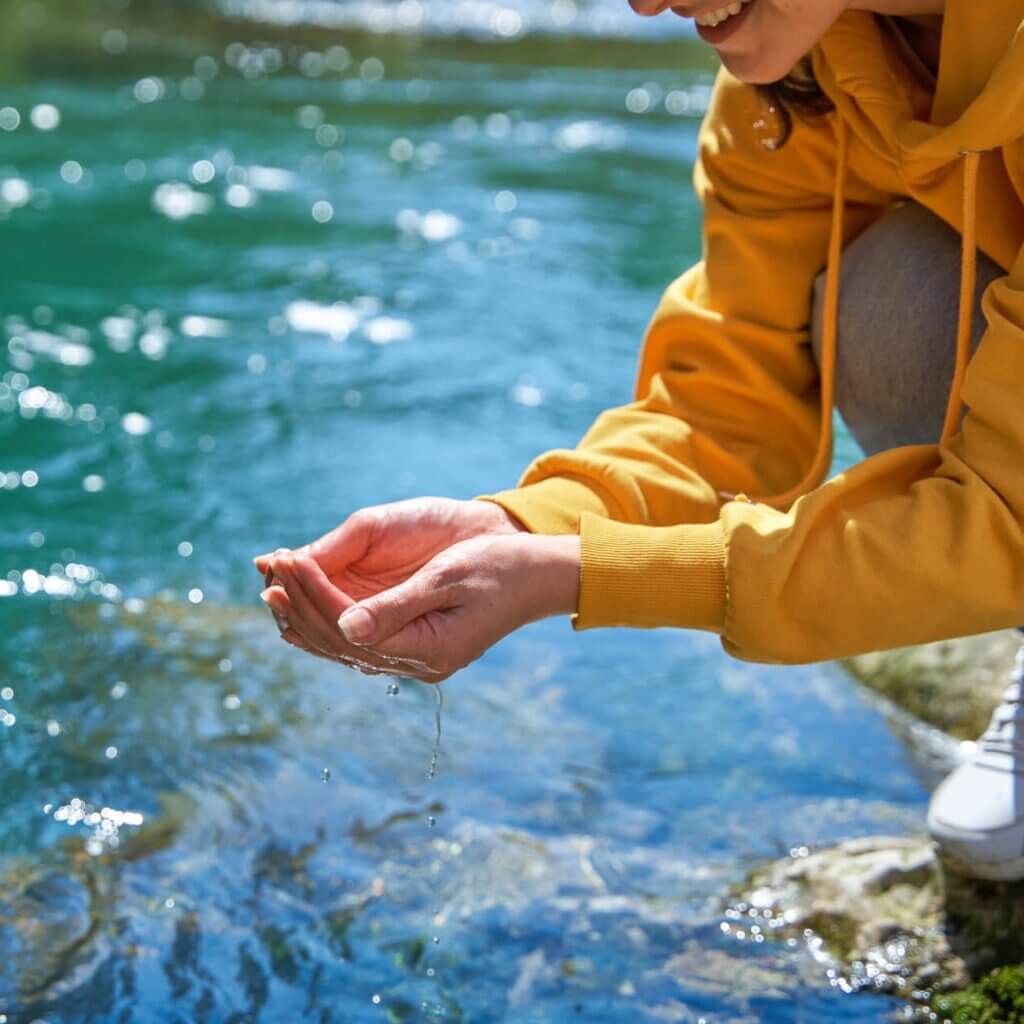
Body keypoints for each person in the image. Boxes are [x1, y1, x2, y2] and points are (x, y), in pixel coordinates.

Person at [256, 0, 1024, 881]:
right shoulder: (801, 70)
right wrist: (526, 529)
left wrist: (583, 576)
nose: (647, 3)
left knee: (893, 310)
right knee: (891, 304)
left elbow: (1013, 511)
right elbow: (728, 406)